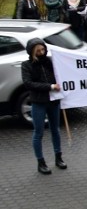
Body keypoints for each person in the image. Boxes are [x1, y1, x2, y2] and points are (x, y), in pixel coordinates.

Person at [21, 37, 66, 175]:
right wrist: (50, 86)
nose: (41, 52)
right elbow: (28, 84)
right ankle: (41, 162)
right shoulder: (27, 65)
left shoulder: (50, 62)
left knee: (55, 130)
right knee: (38, 132)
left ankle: (58, 157)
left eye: (43, 49)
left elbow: (59, 75)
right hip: (38, 101)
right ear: (32, 52)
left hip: (53, 101)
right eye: (38, 50)